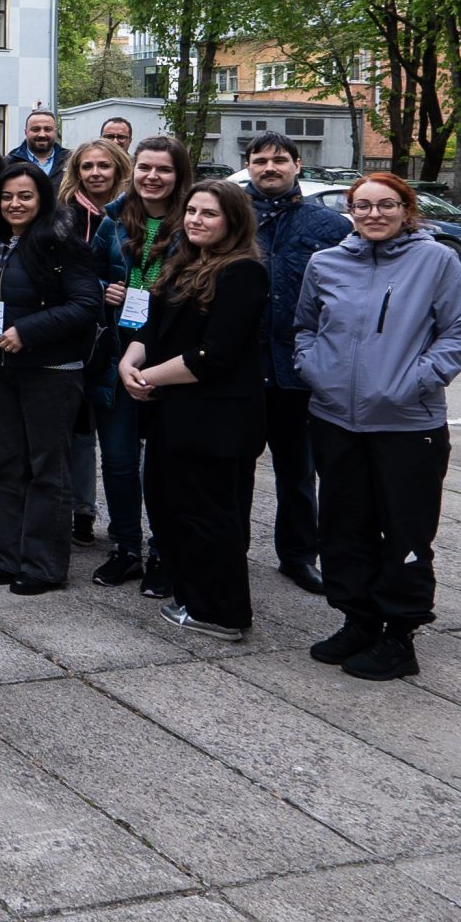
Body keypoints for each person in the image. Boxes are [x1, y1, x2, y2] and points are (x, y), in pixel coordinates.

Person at [293, 173, 461, 682]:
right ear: (349, 210)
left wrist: (415, 381)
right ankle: (358, 620)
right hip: (336, 419)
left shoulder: (436, 261)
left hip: (407, 423)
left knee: (405, 527)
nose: (374, 214)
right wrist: (314, 368)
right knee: (344, 525)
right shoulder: (325, 262)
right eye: (363, 206)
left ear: (407, 209)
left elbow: (459, 332)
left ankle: (399, 636)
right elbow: (306, 325)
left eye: (386, 205)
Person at [119, 179, 269, 640]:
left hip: (217, 417)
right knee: (171, 507)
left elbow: (215, 355)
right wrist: (129, 360)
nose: (196, 220)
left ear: (233, 221)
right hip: (175, 411)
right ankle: (191, 595)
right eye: (192, 212)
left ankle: (222, 613)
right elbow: (153, 325)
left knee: (210, 517)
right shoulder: (183, 263)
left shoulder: (243, 272)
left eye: (209, 214)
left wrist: (149, 378)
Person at [0, 160, 101, 594]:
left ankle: (44, 566)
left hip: (50, 372)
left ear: (42, 198)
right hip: (2, 370)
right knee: (7, 466)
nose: (14, 203)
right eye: (6, 196)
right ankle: (7, 556)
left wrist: (27, 331)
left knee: (47, 470)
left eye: (25, 195)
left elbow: (86, 305)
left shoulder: (60, 242)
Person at [247, 131, 353, 595]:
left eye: (279, 160)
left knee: (297, 472)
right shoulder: (232, 217)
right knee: (233, 469)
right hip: (243, 368)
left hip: (296, 371)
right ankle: (230, 545)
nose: (269, 168)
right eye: (260, 160)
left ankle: (297, 555)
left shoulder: (329, 227)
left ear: (297, 167)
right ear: (248, 166)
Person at [88, 137, 179, 590]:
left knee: (164, 465)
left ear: (178, 174)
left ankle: (164, 550)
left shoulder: (193, 223)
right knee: (120, 460)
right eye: (145, 168)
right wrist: (106, 288)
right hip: (115, 357)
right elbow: (89, 277)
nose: (152, 177)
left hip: (171, 363)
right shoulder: (114, 222)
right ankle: (126, 547)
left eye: (163, 169)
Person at [59, 139, 132, 548]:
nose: (96, 173)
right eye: (87, 166)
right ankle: (82, 510)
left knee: (123, 438)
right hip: (79, 334)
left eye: (104, 165)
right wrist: (100, 287)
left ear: (120, 168)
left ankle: (126, 525)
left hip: (127, 337)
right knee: (79, 429)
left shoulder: (133, 215)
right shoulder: (64, 216)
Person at [7, 107, 65, 180]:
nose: (42, 135)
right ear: (26, 132)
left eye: (48, 129)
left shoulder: (70, 161)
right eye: (35, 129)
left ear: (55, 132)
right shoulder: (9, 163)